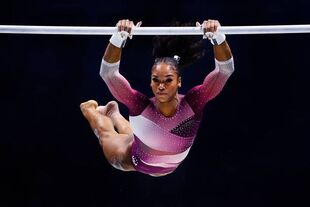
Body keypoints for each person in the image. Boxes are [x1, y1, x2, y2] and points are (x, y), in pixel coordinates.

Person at [80, 19, 234, 177]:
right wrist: (119, 37)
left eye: (168, 80)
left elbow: (225, 70)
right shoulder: (139, 104)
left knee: (136, 134)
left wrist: (217, 37)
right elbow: (108, 73)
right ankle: (89, 109)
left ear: (179, 81)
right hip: (133, 158)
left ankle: (113, 113)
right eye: (156, 80)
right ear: (150, 81)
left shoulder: (194, 102)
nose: (161, 86)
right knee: (105, 134)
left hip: (148, 142)